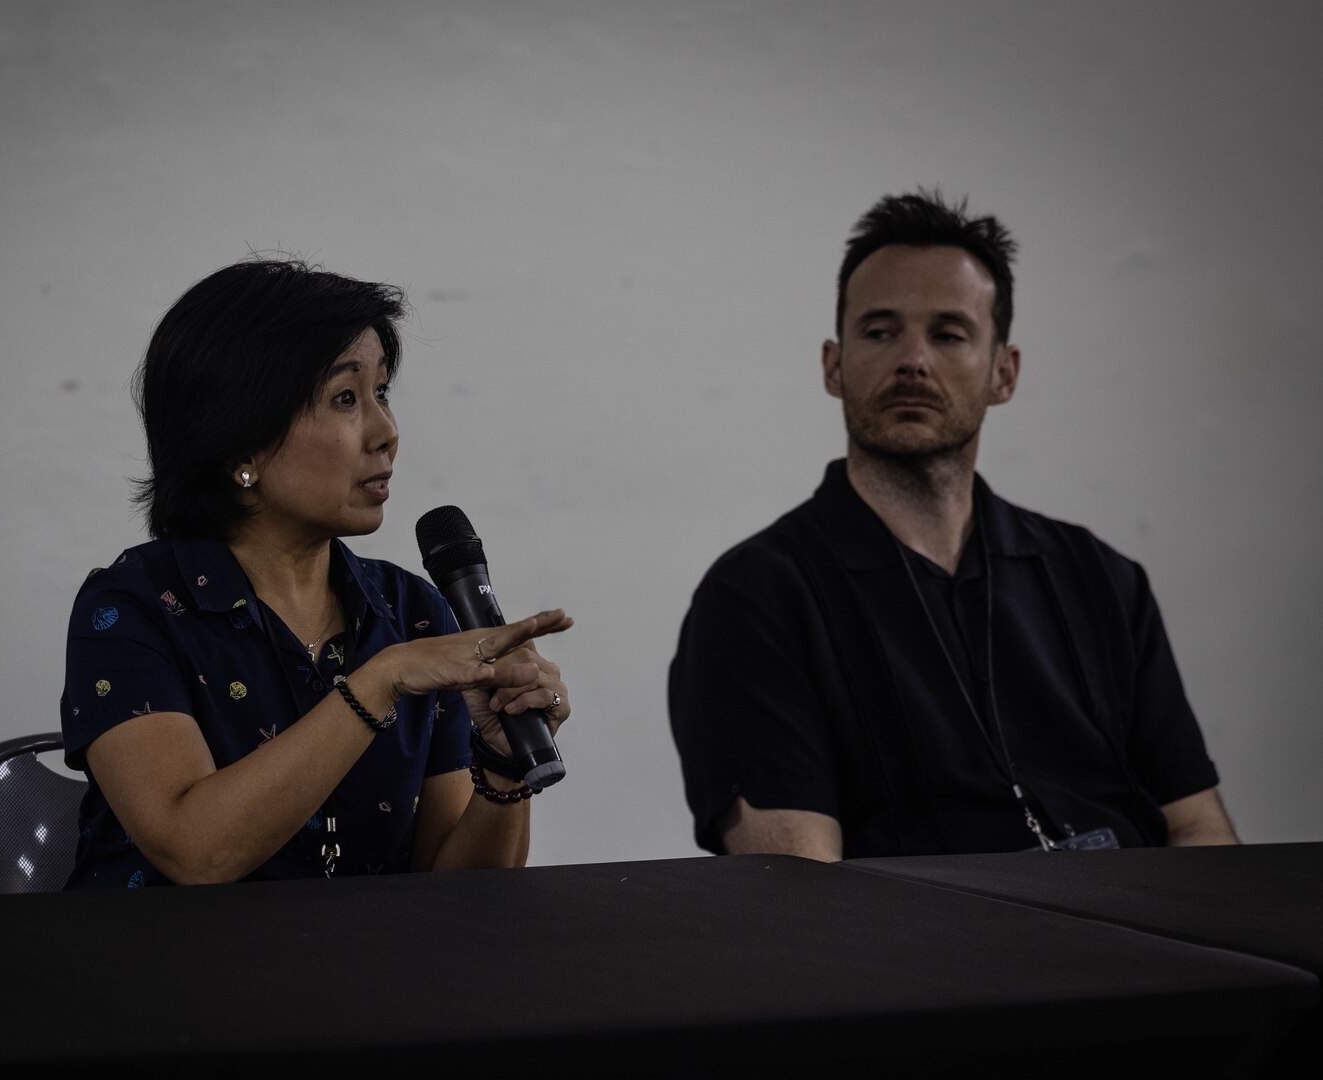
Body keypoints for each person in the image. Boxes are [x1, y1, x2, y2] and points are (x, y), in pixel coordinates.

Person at [668, 190, 1237, 861]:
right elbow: (799, 895)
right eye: (879, 332)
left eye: (947, 334)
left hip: (1157, 955)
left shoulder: (1103, 580)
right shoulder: (757, 598)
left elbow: (1199, 832)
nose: (912, 360)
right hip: (927, 962)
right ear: (833, 365)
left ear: (1003, 371)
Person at [60, 259, 573, 887]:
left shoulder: (411, 611)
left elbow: (459, 899)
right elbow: (194, 852)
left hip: (359, 979)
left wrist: (500, 762)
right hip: (165, 976)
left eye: (382, 392)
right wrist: (380, 681)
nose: (387, 432)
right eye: (346, 398)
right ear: (238, 447)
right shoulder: (132, 610)